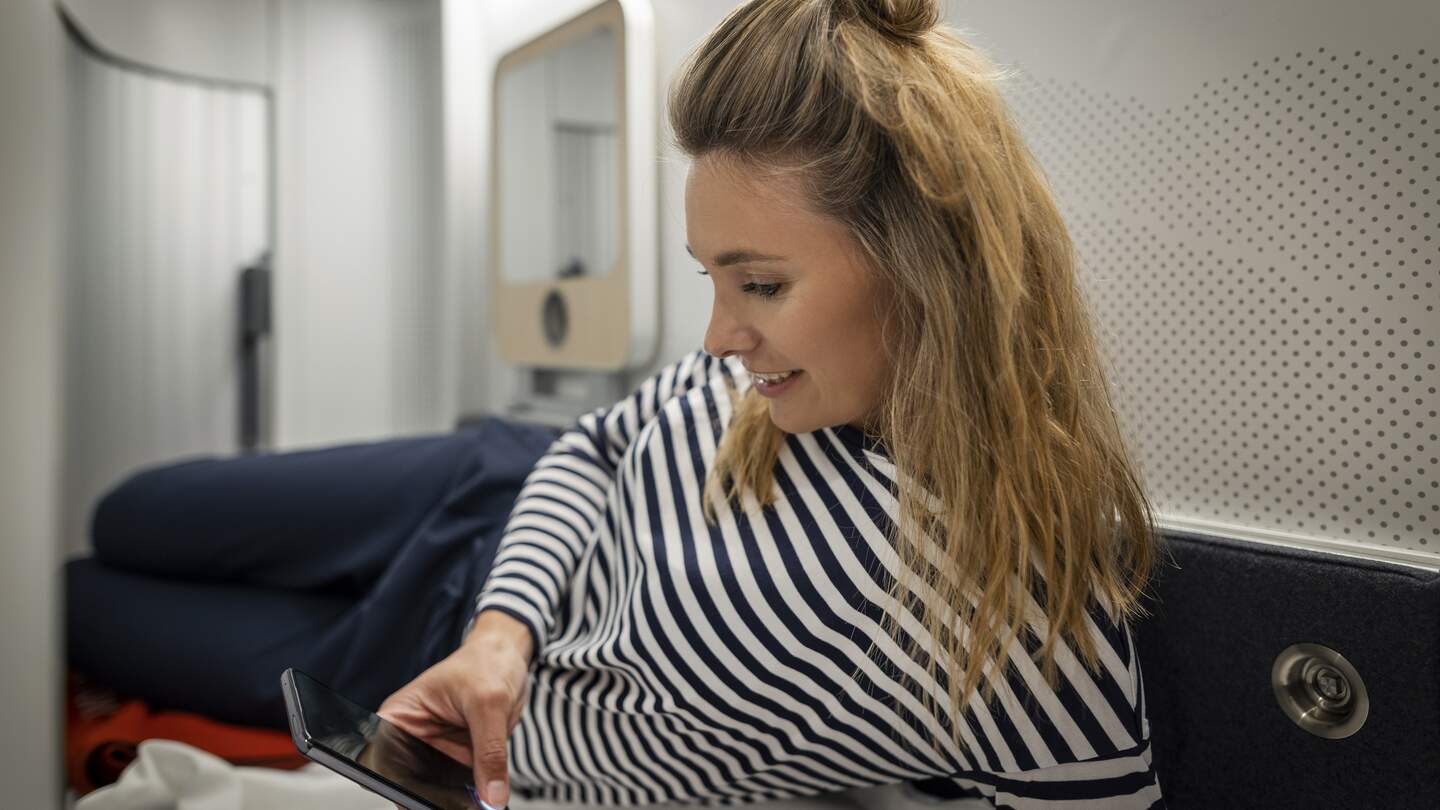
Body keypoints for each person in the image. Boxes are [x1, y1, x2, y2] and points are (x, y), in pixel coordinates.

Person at [68, 0, 1162, 808]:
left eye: (762, 284)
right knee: (125, 513)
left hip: (423, 689)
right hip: (479, 519)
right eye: (712, 279)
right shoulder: (764, 381)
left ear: (924, 267)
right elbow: (595, 447)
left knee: (82, 602)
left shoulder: (1017, 629)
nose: (718, 336)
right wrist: (503, 627)